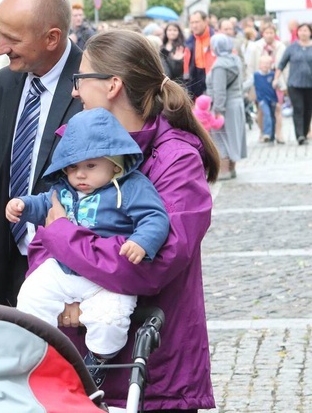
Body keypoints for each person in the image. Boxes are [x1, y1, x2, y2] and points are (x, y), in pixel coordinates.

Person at [29, 29, 220, 411]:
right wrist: (58, 295)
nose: (74, 92)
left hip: (153, 372)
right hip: (80, 363)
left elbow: (153, 263)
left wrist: (64, 237)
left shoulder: (176, 158)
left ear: (113, 85)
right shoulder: (77, 145)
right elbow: (41, 237)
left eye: (80, 80)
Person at [8, 108, 169, 387]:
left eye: (91, 166)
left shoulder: (130, 187)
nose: (80, 174)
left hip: (105, 278)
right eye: (72, 167)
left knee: (112, 316)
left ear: (114, 163)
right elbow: (43, 203)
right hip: (62, 269)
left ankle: (98, 359)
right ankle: (39, 355)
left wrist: (142, 241)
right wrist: (22, 206)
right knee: (31, 296)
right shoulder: (63, 191)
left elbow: (155, 217)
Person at [0, 0, 83, 307]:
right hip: (10, 260)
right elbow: (0, 173)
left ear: (52, 38)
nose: (0, 48)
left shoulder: (93, 84)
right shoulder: (2, 83)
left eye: (12, 39)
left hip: (69, 268)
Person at [206, 33, 247, 180]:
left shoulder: (219, 66)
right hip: (237, 103)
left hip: (225, 106)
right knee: (234, 136)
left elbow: (219, 91)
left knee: (221, 137)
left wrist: (218, 111)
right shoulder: (235, 60)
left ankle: (224, 171)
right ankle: (232, 169)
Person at [246, 23, 287, 143]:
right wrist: (252, 83)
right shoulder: (256, 47)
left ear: (275, 34)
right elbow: (251, 66)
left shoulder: (280, 46)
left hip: (276, 80)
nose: (269, 35)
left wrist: (285, 84)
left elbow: (285, 65)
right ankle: (263, 132)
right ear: (263, 34)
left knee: (278, 108)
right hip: (260, 81)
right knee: (261, 109)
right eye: (267, 33)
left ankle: (279, 133)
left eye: (271, 33)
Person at [277, 22, 312, 145]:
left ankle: (305, 131)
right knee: (298, 109)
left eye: (306, 30)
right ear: (297, 32)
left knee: (308, 110)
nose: (303, 33)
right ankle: (300, 135)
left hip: (310, 84)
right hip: (294, 84)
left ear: (310, 32)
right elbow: (281, 64)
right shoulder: (292, 47)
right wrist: (276, 79)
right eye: (301, 30)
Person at [184, 10, 215, 98]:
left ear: (206, 21)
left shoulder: (215, 38)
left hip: (211, 78)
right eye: (192, 22)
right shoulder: (189, 41)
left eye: (197, 22)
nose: (194, 25)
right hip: (195, 78)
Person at [254, 55, 278, 142]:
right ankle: (266, 133)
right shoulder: (256, 75)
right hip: (262, 99)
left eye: (267, 64)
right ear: (260, 65)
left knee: (272, 117)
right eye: (263, 64)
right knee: (266, 114)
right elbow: (249, 84)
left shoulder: (272, 75)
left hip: (272, 99)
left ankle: (272, 135)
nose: (265, 66)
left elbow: (277, 85)